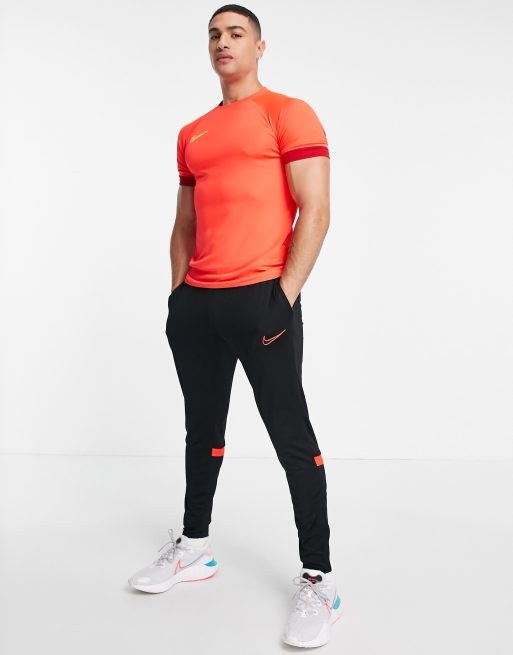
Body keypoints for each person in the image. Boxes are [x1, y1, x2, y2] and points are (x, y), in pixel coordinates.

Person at [128, 4, 342, 647]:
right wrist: (178, 295)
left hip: (262, 300)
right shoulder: (192, 132)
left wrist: (284, 297)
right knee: (202, 430)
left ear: (260, 46)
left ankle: (319, 578)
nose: (223, 42)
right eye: (214, 35)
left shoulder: (288, 113)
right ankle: (193, 545)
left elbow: (316, 209)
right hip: (197, 304)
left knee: (292, 437)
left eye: (236, 33)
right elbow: (184, 224)